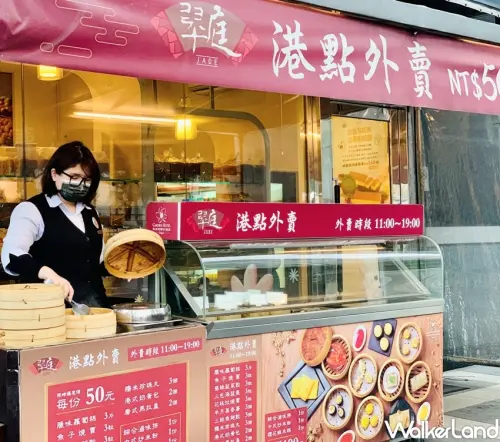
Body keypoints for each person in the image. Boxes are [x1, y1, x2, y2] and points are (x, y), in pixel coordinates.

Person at [1, 141, 109, 307]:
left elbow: (96, 260)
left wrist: (122, 266)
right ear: (54, 174)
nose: (81, 184)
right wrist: (47, 273)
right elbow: (12, 255)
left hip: (94, 308)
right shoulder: (32, 210)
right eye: (74, 177)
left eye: (86, 179)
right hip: (49, 309)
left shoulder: (90, 212)